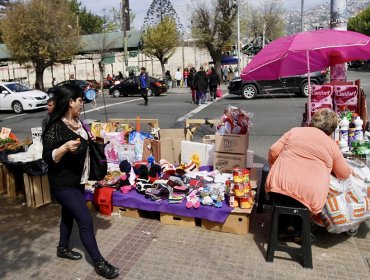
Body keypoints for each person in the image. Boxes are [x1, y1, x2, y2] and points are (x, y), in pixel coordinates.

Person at [42, 84, 119, 279]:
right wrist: (65, 148)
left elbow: (84, 144)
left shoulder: (77, 121)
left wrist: (90, 139)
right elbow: (47, 157)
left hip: (78, 180)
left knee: (68, 215)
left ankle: (62, 248)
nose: (82, 103)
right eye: (79, 100)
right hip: (62, 183)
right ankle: (99, 263)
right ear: (70, 102)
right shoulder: (55, 127)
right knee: (85, 219)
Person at [266, 109, 352, 228]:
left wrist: (274, 166)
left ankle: (283, 228)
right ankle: (297, 230)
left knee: (285, 202)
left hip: (277, 187)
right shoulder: (331, 144)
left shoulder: (294, 131)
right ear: (331, 130)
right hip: (308, 197)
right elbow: (344, 174)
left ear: (312, 121)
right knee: (305, 206)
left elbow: (273, 151)